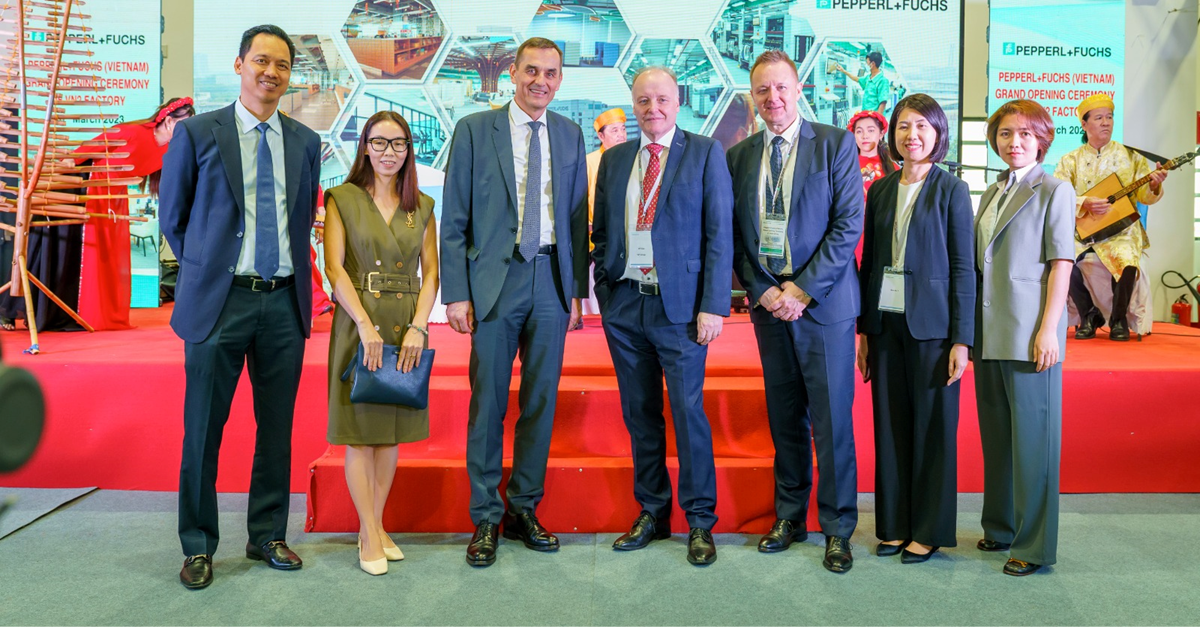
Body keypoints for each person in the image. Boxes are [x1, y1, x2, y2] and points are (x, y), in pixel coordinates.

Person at [159, 25, 322, 590]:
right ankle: (199, 545)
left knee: (276, 428)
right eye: (261, 61)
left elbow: (301, 220)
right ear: (239, 65)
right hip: (218, 305)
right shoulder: (200, 133)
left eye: (281, 64)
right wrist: (209, 272)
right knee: (203, 429)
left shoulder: (305, 141)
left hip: (283, 304)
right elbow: (173, 219)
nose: (270, 72)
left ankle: (267, 535)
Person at [439, 37, 588, 568]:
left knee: (541, 402)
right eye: (531, 71)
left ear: (559, 79)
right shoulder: (476, 130)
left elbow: (575, 219)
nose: (540, 81)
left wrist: (577, 291)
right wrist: (455, 293)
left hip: (549, 278)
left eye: (550, 72)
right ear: (512, 73)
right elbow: (453, 218)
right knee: (489, 403)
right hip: (494, 284)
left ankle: (524, 508)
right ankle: (485, 517)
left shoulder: (570, 135)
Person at [727, 50, 862, 573]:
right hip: (767, 308)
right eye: (762, 90)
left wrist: (800, 290)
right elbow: (737, 233)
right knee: (785, 419)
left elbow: (847, 225)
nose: (772, 99)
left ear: (798, 88)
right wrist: (762, 291)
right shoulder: (739, 157)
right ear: (752, 96)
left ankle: (837, 527)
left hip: (822, 309)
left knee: (831, 424)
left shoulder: (834, 143)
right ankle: (790, 516)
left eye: (781, 88)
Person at [592, 65, 732, 566]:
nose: (653, 109)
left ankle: (699, 521)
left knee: (688, 412)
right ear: (634, 105)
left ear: (678, 102)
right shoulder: (616, 160)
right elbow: (602, 233)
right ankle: (652, 510)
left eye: (662, 100)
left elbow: (720, 235)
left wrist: (714, 304)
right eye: (644, 100)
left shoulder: (705, 152)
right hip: (627, 305)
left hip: (681, 309)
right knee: (640, 413)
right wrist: (606, 294)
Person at [856, 94, 974, 564]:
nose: (913, 136)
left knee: (932, 429)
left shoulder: (952, 190)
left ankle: (928, 529)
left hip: (934, 328)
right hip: (886, 326)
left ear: (938, 133)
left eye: (923, 126)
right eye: (904, 126)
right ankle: (894, 525)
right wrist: (864, 331)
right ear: (893, 136)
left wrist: (962, 339)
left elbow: (964, 268)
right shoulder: (881, 190)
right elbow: (869, 266)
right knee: (890, 426)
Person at [323, 111, 439, 576]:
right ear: (364, 147)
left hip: (404, 325)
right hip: (357, 322)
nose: (388, 153)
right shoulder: (342, 199)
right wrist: (366, 328)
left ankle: (376, 524)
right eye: (379, 143)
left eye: (398, 144)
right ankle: (369, 532)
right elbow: (335, 271)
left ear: (409, 150)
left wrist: (419, 326)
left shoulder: (423, 206)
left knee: (390, 434)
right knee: (359, 433)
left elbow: (430, 274)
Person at [976, 99, 1075, 576]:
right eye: (1005, 133)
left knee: (1034, 444)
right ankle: (999, 527)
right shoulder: (993, 191)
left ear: (1042, 139)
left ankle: (1032, 546)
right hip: (989, 332)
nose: (1014, 142)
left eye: (1024, 134)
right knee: (997, 440)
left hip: (1031, 333)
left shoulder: (1055, 189)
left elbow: (1062, 264)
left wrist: (1049, 329)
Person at [57, 98, 196, 331]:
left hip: (116, 197)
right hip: (91, 190)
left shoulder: (170, 150)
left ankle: (107, 315)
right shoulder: (131, 132)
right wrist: (68, 161)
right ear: (169, 121)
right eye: (185, 124)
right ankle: (88, 313)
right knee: (94, 254)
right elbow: (86, 151)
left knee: (114, 256)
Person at [1053, 94, 1168, 341]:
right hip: (1084, 230)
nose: (1106, 122)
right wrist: (1085, 203)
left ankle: (1118, 319)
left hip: (1121, 230)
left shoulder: (1131, 156)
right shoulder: (1069, 160)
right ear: (1084, 124)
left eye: (1109, 117)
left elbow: (1144, 196)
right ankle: (1088, 315)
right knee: (1063, 258)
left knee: (1127, 260)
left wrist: (1155, 185)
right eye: (1099, 118)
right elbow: (1058, 196)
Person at [581, 107, 627, 320]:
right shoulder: (590, 162)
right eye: (615, 130)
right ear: (601, 136)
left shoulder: (631, 159)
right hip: (595, 240)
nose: (621, 135)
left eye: (623, 129)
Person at [847, 109, 896, 262]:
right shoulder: (844, 166)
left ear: (881, 133)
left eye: (871, 130)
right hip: (850, 231)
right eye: (859, 131)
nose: (865, 136)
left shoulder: (893, 169)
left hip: (881, 231)